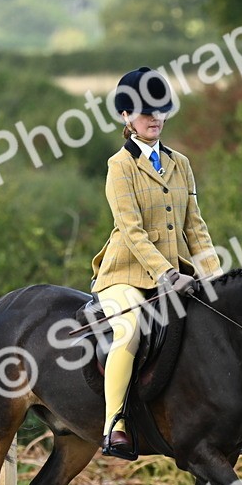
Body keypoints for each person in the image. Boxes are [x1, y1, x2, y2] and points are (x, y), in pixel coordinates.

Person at [90, 67, 222, 459]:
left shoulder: (180, 162)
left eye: (160, 110)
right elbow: (131, 231)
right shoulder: (120, 166)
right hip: (125, 275)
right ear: (125, 116)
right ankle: (115, 423)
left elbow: (194, 226)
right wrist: (164, 272)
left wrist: (215, 276)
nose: (155, 118)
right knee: (129, 331)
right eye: (145, 111)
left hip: (177, 275)